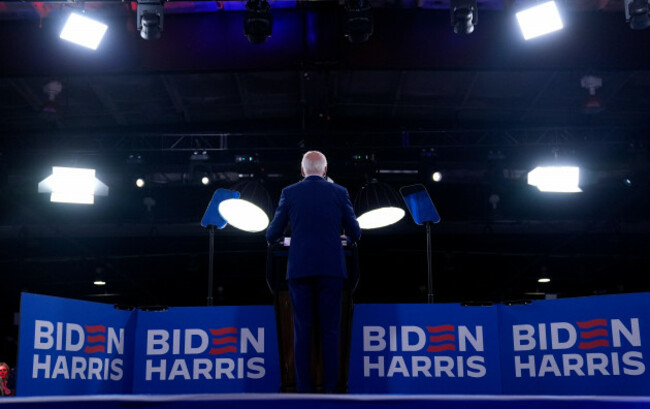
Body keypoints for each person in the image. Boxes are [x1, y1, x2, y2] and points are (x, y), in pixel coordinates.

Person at [266, 151, 361, 393]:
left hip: (300, 269)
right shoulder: (340, 192)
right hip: (331, 270)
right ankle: (332, 392)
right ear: (325, 170)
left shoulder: (289, 193)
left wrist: (284, 237)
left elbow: (271, 234)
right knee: (330, 332)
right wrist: (342, 236)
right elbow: (355, 233)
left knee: (303, 332)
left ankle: (304, 392)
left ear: (302, 170)